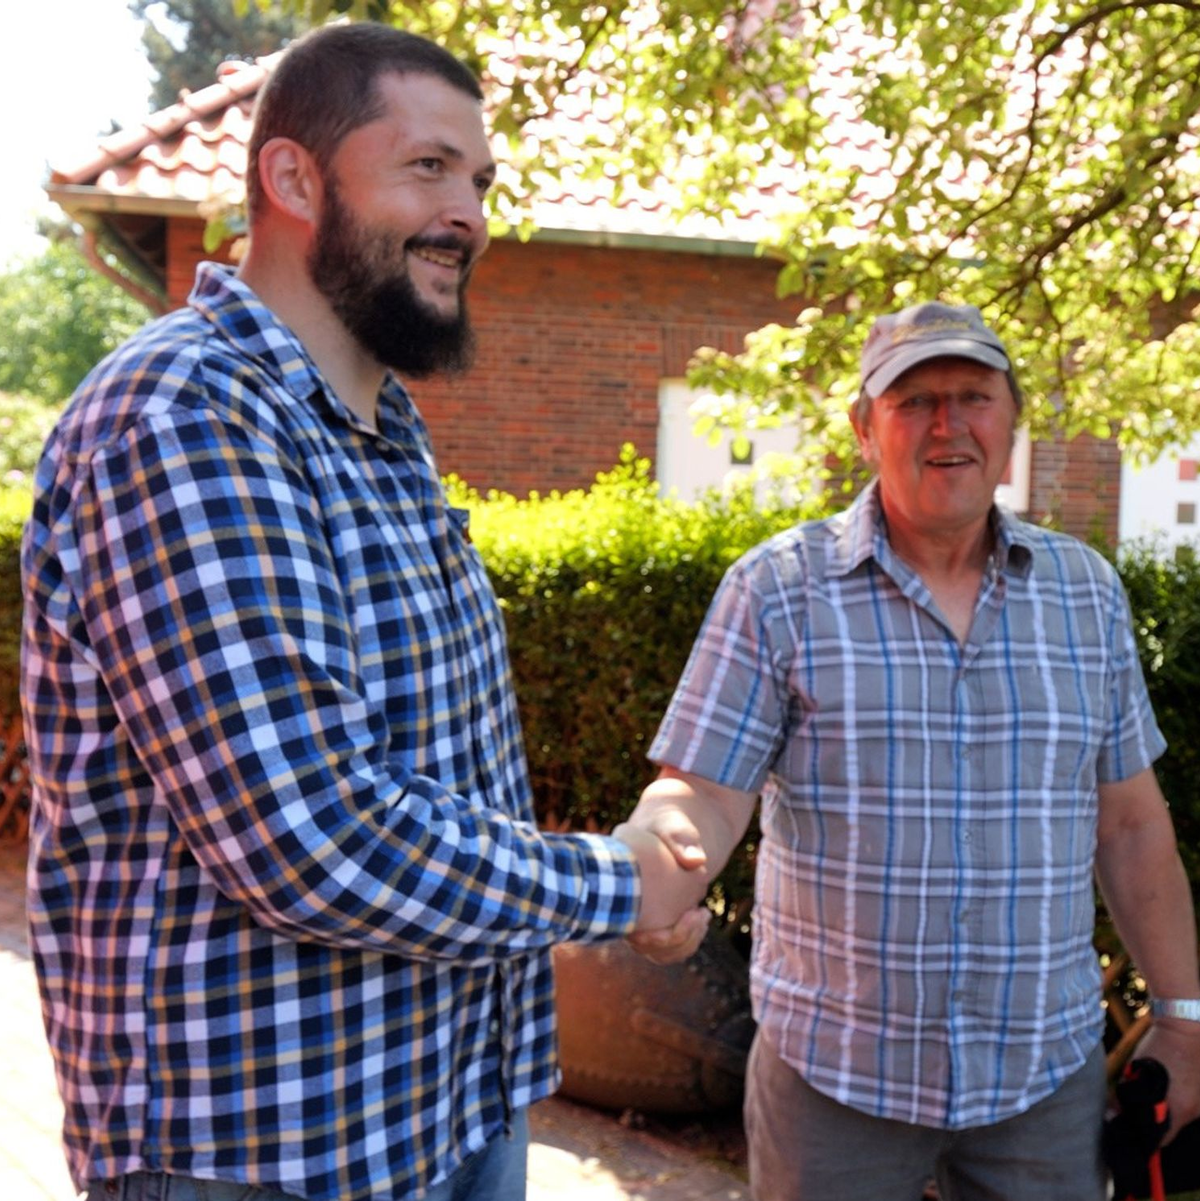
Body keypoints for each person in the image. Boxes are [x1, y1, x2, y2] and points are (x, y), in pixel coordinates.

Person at [20, 22, 707, 1201]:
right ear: (294, 179)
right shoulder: (187, 416)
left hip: (445, 1103)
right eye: (428, 167)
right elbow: (309, 837)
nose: (471, 215)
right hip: (263, 1156)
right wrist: (621, 881)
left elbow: (436, 771)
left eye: (480, 179)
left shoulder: (383, 431)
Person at [624, 301, 1200, 1200]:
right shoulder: (778, 590)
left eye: (974, 395)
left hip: (1041, 1080)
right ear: (864, 428)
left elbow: (1129, 823)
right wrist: (658, 875)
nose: (948, 423)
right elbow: (699, 789)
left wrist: (1184, 1019)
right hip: (833, 1079)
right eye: (914, 399)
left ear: (1012, 423)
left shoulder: (1086, 594)